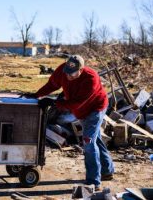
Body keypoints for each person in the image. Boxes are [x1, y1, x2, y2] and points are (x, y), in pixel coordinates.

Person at [24, 55, 114, 191]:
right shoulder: (62, 70)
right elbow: (52, 84)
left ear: (81, 69)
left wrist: (54, 102)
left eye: (72, 74)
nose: (68, 76)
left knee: (89, 141)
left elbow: (76, 103)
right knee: (95, 139)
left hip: (95, 109)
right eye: (67, 72)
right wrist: (37, 95)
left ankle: (94, 182)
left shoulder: (91, 78)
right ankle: (107, 170)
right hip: (81, 110)